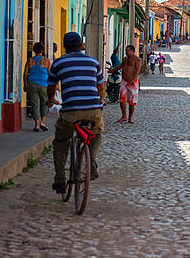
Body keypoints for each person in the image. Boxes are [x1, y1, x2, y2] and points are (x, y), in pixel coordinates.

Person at [47, 32, 106, 194]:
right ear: (82, 45)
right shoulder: (94, 62)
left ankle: (59, 179)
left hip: (70, 112)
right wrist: (100, 101)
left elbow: (51, 87)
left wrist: (50, 99)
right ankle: (92, 160)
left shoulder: (58, 63)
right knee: (97, 133)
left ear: (65, 48)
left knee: (61, 141)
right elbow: (101, 87)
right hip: (93, 111)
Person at [108, 44, 141, 123]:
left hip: (132, 82)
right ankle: (124, 116)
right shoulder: (125, 59)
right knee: (121, 98)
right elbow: (120, 66)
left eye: (128, 50)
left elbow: (137, 70)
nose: (126, 52)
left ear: (132, 51)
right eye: (126, 50)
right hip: (124, 81)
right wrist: (113, 70)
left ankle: (130, 118)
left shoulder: (137, 59)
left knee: (132, 101)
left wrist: (134, 79)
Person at [23, 42, 51, 132]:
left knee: (35, 104)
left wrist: (25, 84)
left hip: (32, 84)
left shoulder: (30, 60)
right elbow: (50, 74)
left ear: (34, 50)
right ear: (42, 50)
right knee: (45, 103)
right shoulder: (46, 61)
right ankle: (42, 123)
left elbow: (25, 74)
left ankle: (36, 125)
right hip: (44, 84)